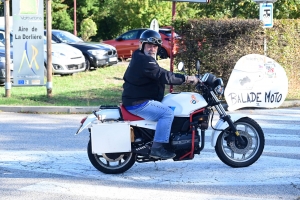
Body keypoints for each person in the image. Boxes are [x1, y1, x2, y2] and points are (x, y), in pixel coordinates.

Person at [122, 29, 198, 159]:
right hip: (139, 103)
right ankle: (158, 148)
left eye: (155, 46)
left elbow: (159, 73)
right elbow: (164, 76)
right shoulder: (145, 61)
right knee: (167, 113)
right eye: (149, 45)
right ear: (142, 45)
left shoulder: (140, 57)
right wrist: (186, 79)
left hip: (136, 99)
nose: (152, 49)